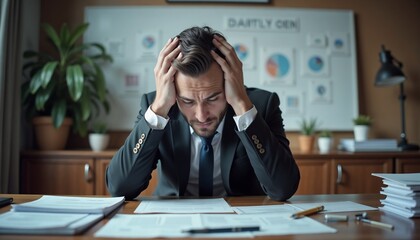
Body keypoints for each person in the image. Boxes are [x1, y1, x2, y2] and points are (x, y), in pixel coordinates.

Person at [106, 26, 300, 201]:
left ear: (230, 83)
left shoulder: (261, 106)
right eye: (188, 101)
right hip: (173, 222)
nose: (201, 115)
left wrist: (242, 105)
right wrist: (158, 110)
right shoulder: (158, 107)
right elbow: (119, 187)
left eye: (213, 98)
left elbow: (282, 189)